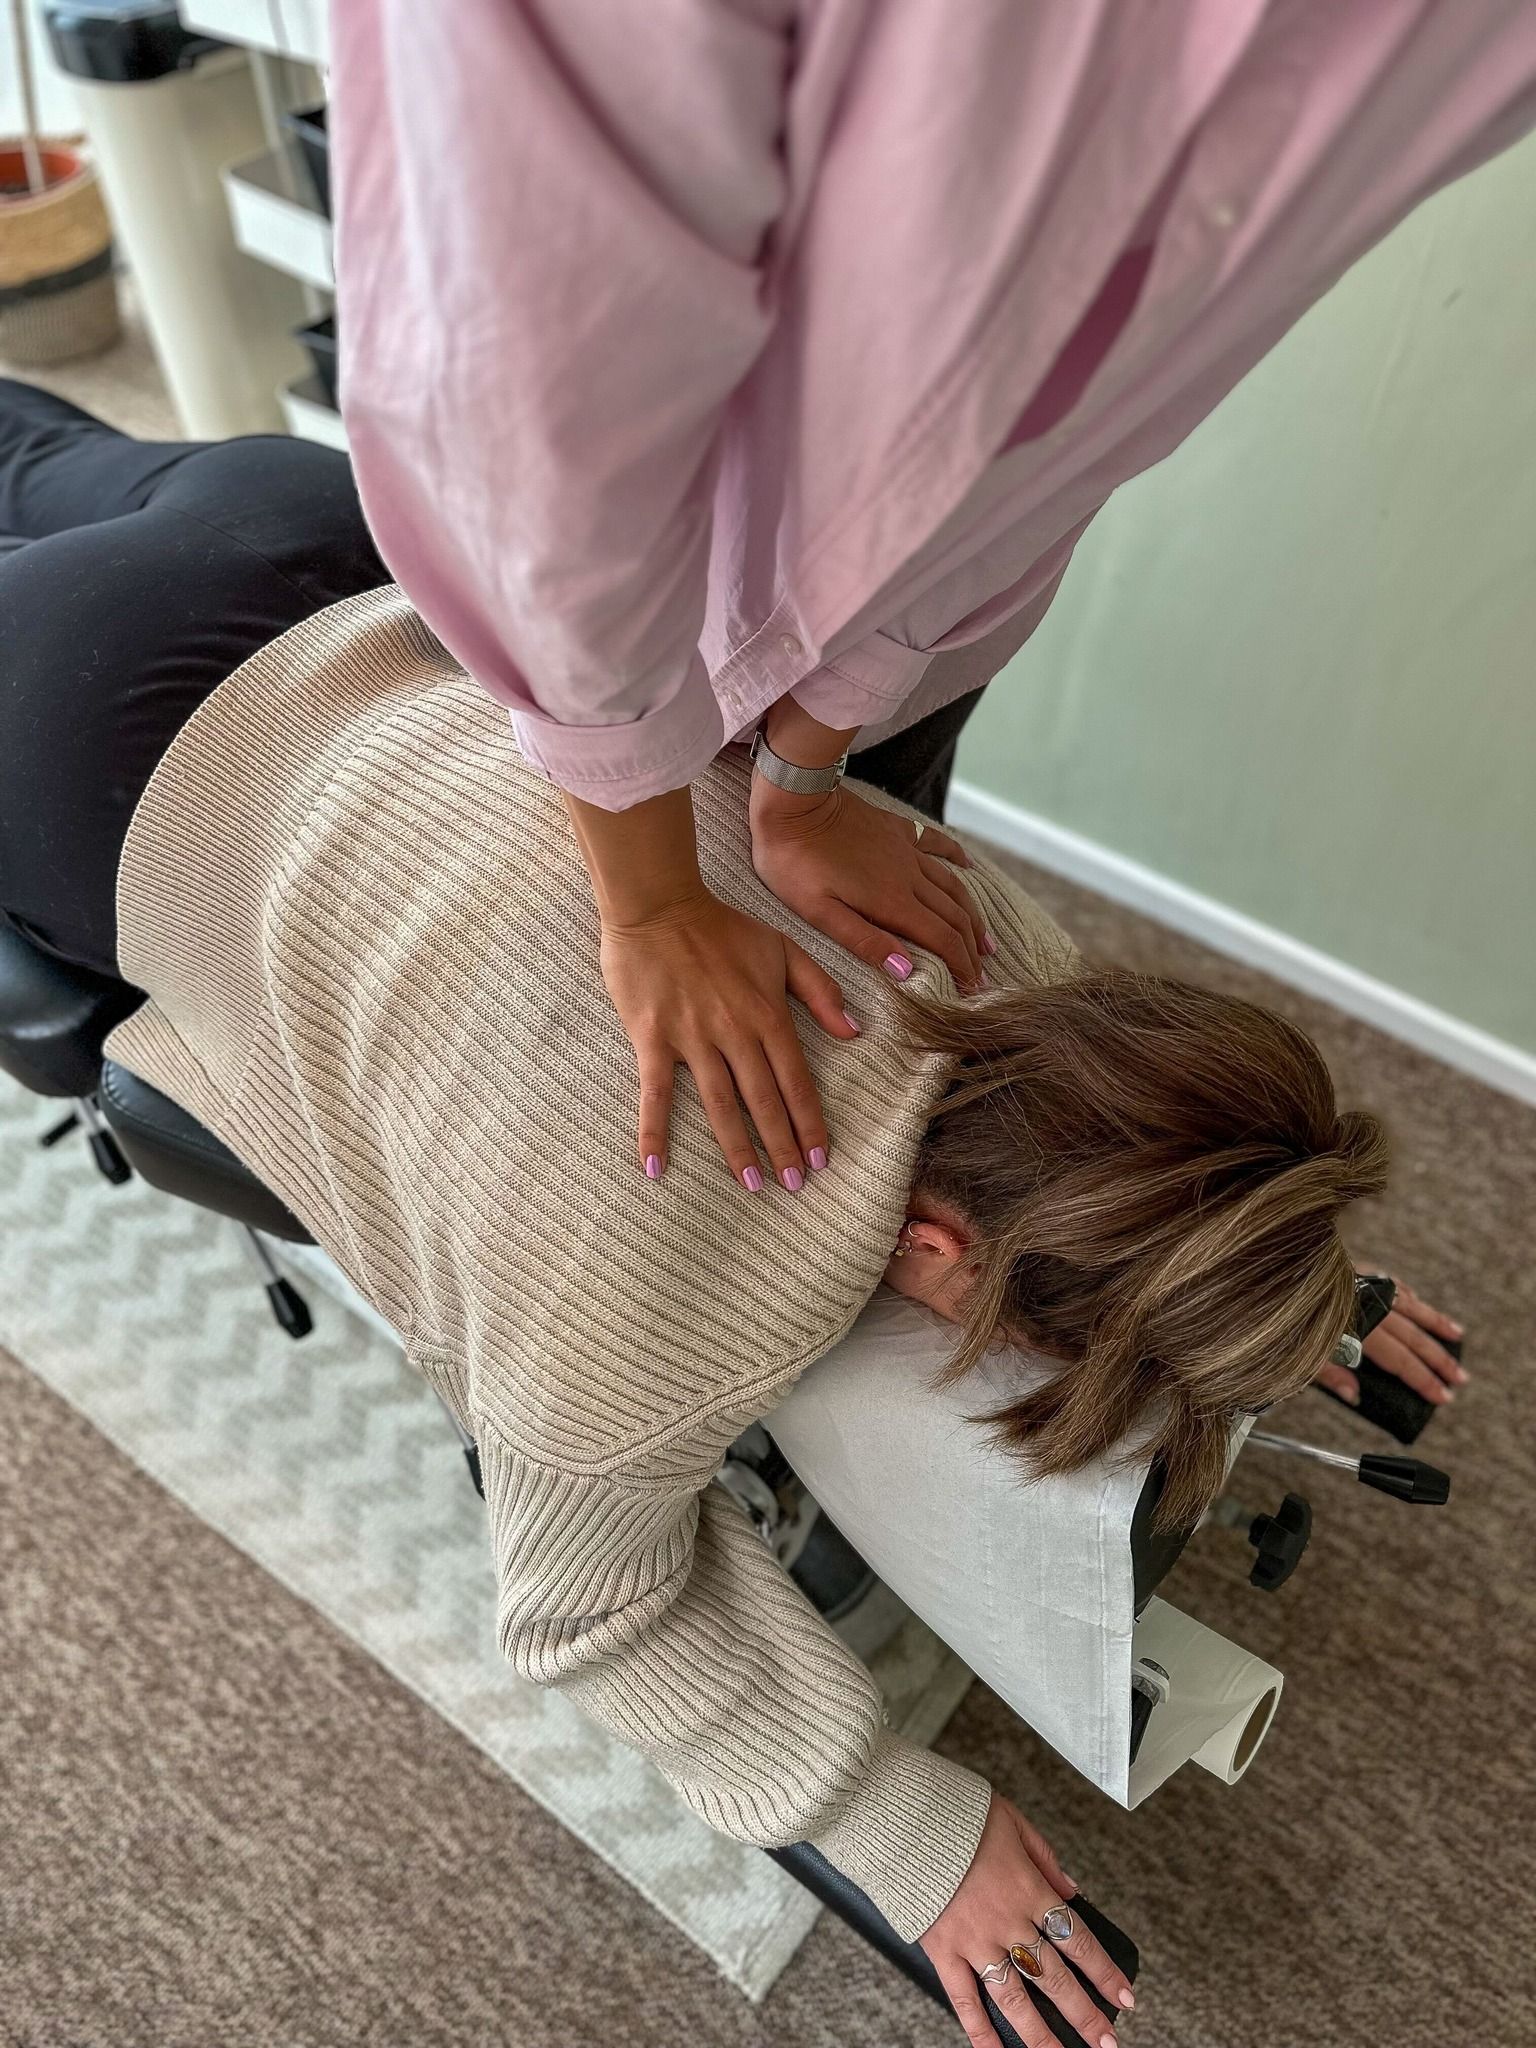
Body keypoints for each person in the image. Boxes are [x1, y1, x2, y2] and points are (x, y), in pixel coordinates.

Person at [0, 386, 1468, 2048]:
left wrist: (1297, 1279)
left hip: (316, 544)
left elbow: (1171, 1153)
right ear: (935, 1256)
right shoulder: (636, 1299)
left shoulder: (980, 956)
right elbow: (590, 1602)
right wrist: (894, 1814)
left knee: (28, 444)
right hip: (118, 745)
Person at [329, 0, 1536, 1192]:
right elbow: (540, 398)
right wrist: (649, 901)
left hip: (903, 666)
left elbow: (1077, 399)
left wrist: (810, 771)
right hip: (599, 663)